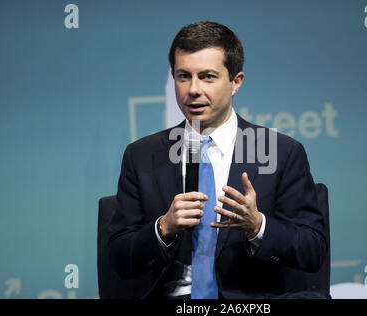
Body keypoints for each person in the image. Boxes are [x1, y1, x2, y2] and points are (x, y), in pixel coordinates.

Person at [109, 21, 328, 299]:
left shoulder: (280, 152)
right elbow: (117, 258)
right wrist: (163, 227)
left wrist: (257, 226)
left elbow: (313, 250)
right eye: (183, 76)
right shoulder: (142, 156)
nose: (193, 90)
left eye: (208, 76)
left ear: (236, 81)